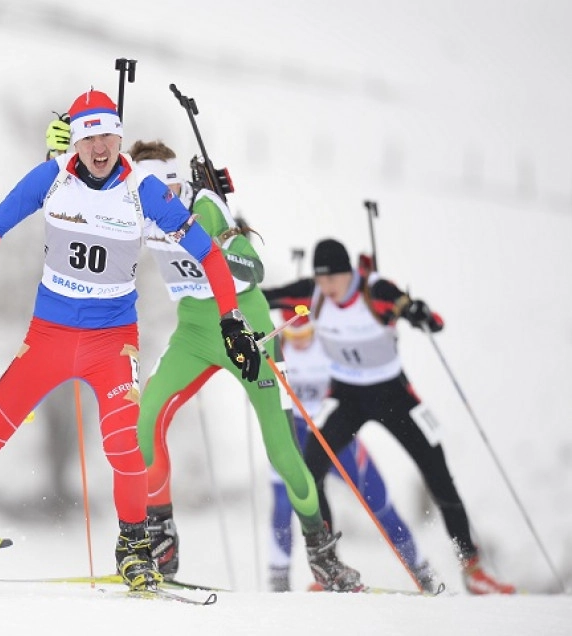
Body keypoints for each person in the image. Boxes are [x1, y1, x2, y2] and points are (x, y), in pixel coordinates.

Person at [0, 89, 262, 592]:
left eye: (108, 136)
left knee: (123, 445)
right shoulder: (50, 178)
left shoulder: (142, 190)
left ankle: (134, 546)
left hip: (111, 344)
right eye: (88, 137)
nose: (99, 147)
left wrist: (231, 321)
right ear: (74, 142)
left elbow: (207, 255)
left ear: (119, 136)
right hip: (49, 338)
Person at [46, 124, 365, 592]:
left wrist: (216, 247)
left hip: (246, 329)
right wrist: (57, 156)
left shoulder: (206, 207)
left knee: (281, 450)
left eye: (170, 189)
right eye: (155, 191)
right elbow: (78, 207)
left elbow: (253, 269)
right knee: (143, 421)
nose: (164, 200)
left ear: (180, 182)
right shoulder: (135, 206)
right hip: (194, 331)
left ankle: (323, 555)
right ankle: (161, 536)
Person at [263, 237, 515, 595]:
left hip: (392, 395)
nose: (325, 288)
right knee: (310, 471)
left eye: (331, 279)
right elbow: (262, 297)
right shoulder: (312, 293)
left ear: (347, 273)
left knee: (437, 473)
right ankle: (328, 567)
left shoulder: (375, 290)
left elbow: (429, 319)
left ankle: (472, 567)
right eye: (320, 280)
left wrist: (419, 313)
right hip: (347, 397)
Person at [268, 307, 437, 593]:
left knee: (378, 499)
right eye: (294, 335)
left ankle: (423, 573)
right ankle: (281, 580)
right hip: (294, 433)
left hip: (330, 432)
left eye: (305, 333)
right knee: (284, 503)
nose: (300, 341)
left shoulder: (328, 344)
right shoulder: (277, 348)